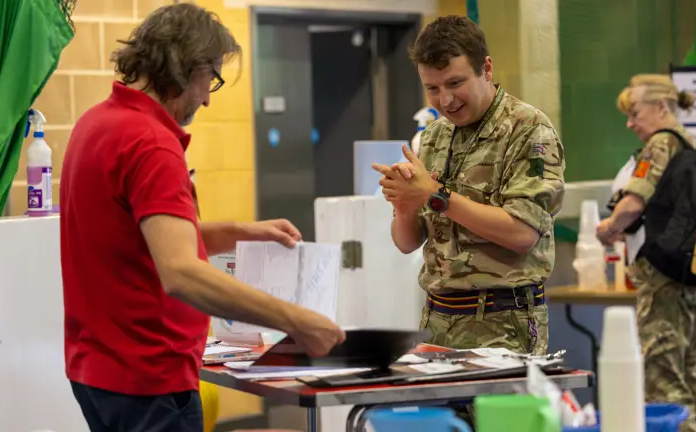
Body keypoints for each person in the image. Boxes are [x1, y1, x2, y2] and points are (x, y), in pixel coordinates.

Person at [59, 5, 345, 432]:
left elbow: (140, 240)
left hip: (99, 370)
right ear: (184, 66)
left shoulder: (96, 123)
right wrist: (295, 320)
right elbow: (180, 272)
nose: (208, 96)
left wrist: (242, 232)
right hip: (148, 378)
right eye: (209, 78)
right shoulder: (151, 143)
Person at [372, 15, 565, 355]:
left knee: (494, 412)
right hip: (437, 318)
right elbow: (407, 242)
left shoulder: (529, 130)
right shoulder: (434, 137)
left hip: (504, 322)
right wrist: (405, 207)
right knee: (440, 411)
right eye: (432, 88)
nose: (445, 100)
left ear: (486, 69)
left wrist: (435, 196)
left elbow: (522, 234)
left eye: (455, 83)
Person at [596, 74, 696, 432]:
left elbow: (633, 202)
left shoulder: (660, 144)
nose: (630, 124)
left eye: (635, 113)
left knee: (662, 376)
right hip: (691, 271)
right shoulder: (692, 144)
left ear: (661, 107)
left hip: (661, 277)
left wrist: (608, 228)